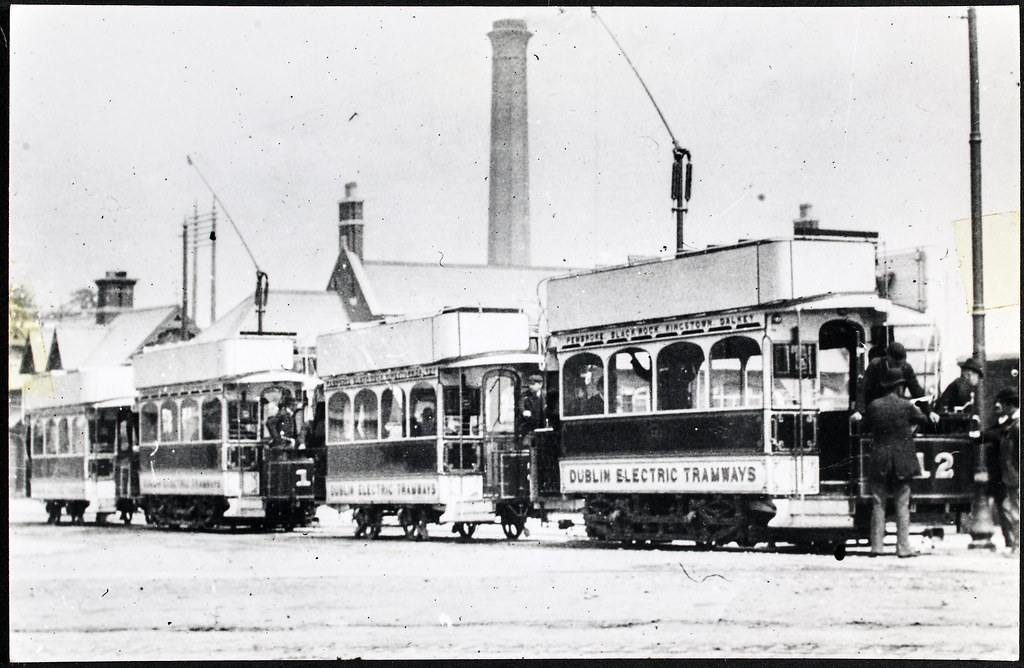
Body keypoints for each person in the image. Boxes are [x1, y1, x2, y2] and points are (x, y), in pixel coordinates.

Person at [862, 367, 931, 557]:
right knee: (902, 504)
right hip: (902, 460)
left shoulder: (874, 406)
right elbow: (925, 420)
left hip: (880, 459)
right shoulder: (907, 406)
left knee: (878, 503)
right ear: (900, 387)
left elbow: (864, 427)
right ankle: (903, 547)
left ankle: (876, 547)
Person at [986, 387, 1020, 555]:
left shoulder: (1016, 425)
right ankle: (1016, 544)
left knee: (1014, 509)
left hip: (1015, 475)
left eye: (1004, 404)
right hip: (1012, 474)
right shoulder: (1013, 424)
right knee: (1010, 507)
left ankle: (1018, 545)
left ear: (1010, 405)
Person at [855, 341, 929, 417]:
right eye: (895, 362)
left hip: (896, 408)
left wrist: (929, 412)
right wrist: (859, 411)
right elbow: (863, 388)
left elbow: (916, 390)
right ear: (888, 356)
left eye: (900, 363)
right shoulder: (876, 365)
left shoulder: (906, 368)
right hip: (875, 409)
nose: (898, 366)